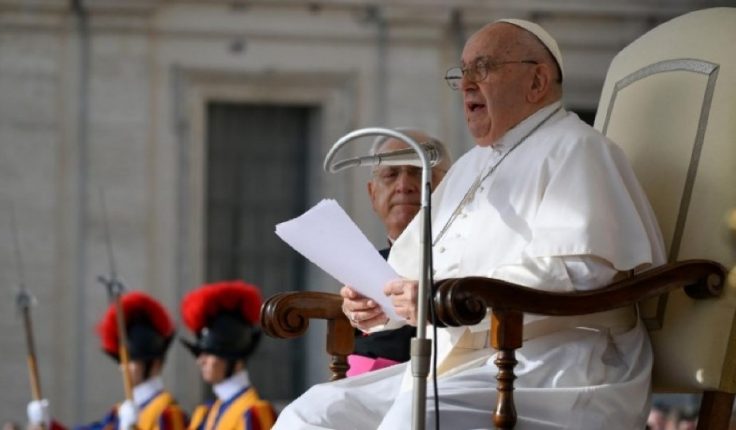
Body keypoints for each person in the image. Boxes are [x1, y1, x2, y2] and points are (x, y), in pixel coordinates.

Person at [274, 18, 666, 430]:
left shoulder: (580, 149)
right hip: (463, 362)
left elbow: (586, 268)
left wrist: (448, 296)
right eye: (462, 73)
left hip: (557, 362)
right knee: (312, 412)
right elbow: (411, 274)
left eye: (484, 68)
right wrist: (379, 304)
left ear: (537, 81)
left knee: (415, 418)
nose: (466, 85)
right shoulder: (469, 166)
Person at [344, 129, 452, 376]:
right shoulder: (364, 263)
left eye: (418, 172)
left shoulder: (467, 256)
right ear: (373, 194)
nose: (404, 186)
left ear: (450, 186)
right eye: (391, 174)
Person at [27, 291, 188, 430]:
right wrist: (48, 424)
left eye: (131, 361)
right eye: (121, 362)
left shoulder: (169, 413)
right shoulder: (118, 413)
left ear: (155, 364)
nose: (123, 368)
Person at [180, 281, 276, 430]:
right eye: (200, 353)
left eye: (210, 353)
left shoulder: (254, 413)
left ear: (235, 359)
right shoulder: (205, 413)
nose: (201, 361)